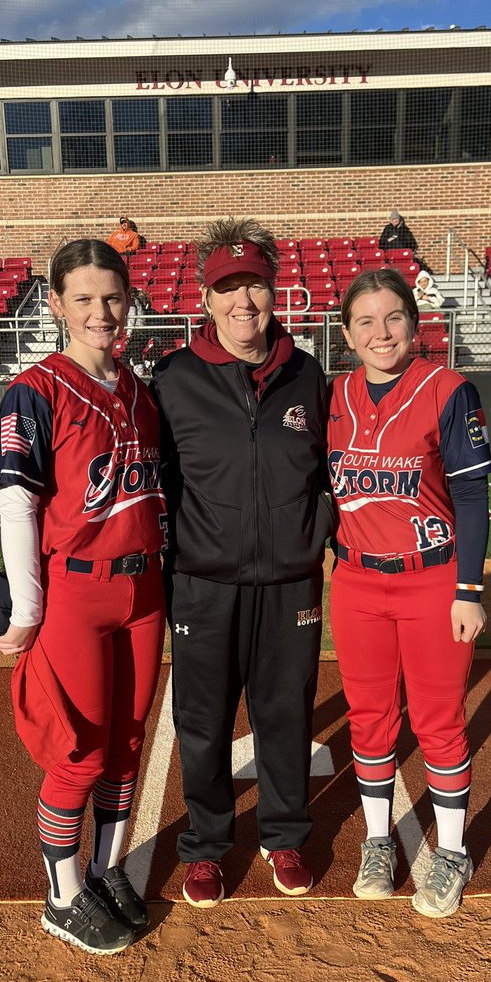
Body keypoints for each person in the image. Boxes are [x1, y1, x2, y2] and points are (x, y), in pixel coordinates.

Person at [149, 217, 333, 908]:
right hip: (203, 582)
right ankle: (206, 846)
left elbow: (329, 471)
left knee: (284, 714)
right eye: (228, 288)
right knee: (203, 720)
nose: (243, 302)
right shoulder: (174, 379)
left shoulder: (306, 374)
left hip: (290, 582)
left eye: (253, 284)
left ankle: (283, 834)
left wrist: (317, 530)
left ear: (274, 288)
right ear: (205, 298)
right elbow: (156, 481)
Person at [0, 238, 166, 955]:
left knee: (128, 745)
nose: (102, 312)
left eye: (112, 297)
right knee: (79, 753)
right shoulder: (35, 391)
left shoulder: (139, 392)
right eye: (85, 299)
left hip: (146, 591)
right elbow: (17, 506)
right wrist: (27, 610)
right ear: (57, 303)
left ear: (128, 301)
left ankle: (106, 869)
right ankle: (62, 897)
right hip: (78, 595)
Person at [327, 267, 491, 917]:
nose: (381, 331)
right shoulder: (334, 395)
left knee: (437, 720)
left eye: (393, 317)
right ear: (346, 333)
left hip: (431, 580)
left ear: (414, 324)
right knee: (369, 720)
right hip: (358, 581)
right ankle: (378, 841)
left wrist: (469, 588)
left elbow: (473, 494)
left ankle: (451, 851)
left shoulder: (446, 389)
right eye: (365, 320)